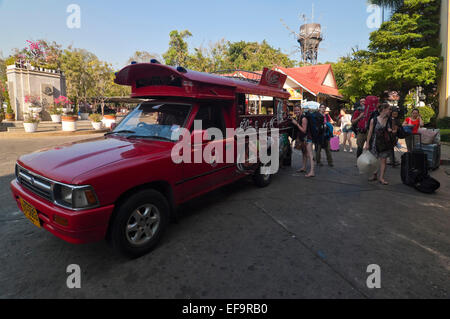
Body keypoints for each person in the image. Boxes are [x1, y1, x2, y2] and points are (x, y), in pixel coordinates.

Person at [365, 103, 395, 185]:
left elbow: (391, 129)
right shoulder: (373, 120)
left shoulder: (389, 119)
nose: (390, 111)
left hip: (385, 143)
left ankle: (381, 178)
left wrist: (391, 130)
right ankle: (374, 175)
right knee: (374, 160)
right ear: (384, 110)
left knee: (383, 161)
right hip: (375, 142)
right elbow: (370, 132)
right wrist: (367, 143)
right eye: (389, 109)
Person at [292, 106, 315, 178]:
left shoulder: (303, 118)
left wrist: (296, 124)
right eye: (295, 110)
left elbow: (304, 130)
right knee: (304, 153)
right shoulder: (299, 117)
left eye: (298, 110)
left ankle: (312, 172)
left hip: (307, 138)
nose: (296, 112)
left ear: (301, 110)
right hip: (303, 138)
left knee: (309, 155)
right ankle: (304, 167)